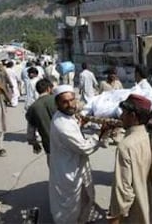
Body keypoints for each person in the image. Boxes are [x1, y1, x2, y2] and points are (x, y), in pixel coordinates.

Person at [107, 94, 152, 223]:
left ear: (133, 116)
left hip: (139, 212)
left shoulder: (126, 146)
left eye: (124, 113)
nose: (121, 116)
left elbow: (123, 191)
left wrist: (115, 218)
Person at [49, 85, 101, 224]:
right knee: (68, 209)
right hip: (68, 171)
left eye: (72, 100)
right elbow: (84, 148)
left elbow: (73, 133)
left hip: (75, 166)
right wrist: (100, 135)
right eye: (65, 102)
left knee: (84, 199)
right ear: (57, 103)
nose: (70, 104)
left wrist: (80, 125)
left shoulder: (66, 116)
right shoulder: (62, 124)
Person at [25, 78, 57, 165]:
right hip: (65, 142)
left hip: (48, 144)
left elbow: (30, 129)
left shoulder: (33, 107)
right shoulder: (58, 100)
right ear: (49, 89)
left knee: (54, 169)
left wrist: (34, 142)